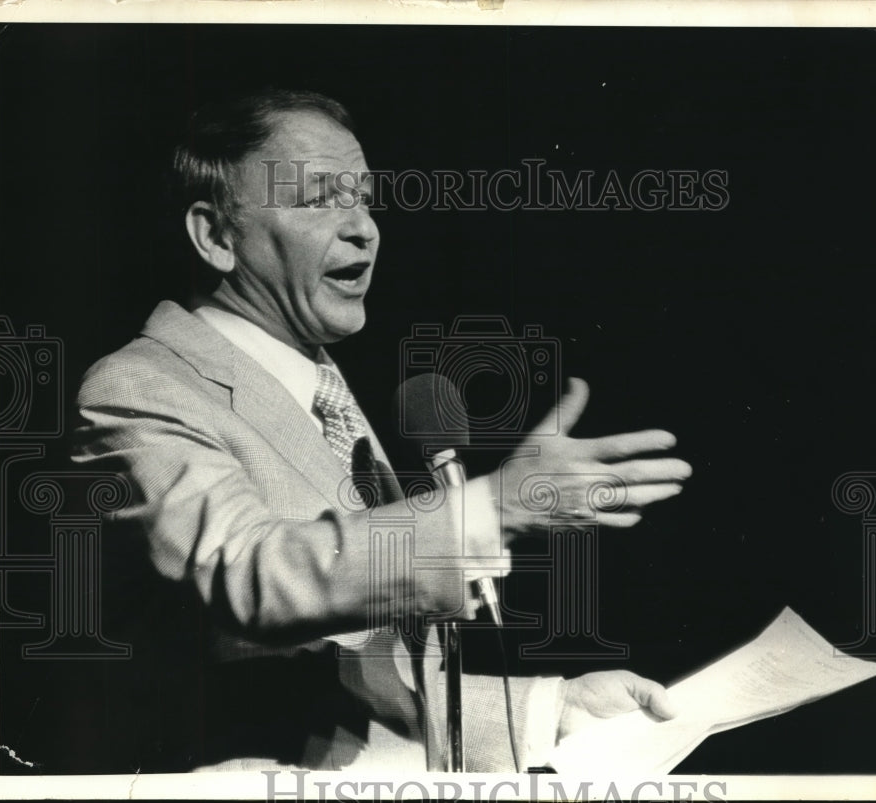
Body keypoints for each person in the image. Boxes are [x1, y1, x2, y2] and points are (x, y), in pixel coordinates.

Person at [71, 88, 693, 773]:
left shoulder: (328, 397)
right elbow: (248, 573)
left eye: (363, 199)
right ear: (216, 236)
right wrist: (492, 507)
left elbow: (348, 682)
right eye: (318, 200)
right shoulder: (141, 387)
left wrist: (550, 711)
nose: (363, 228)